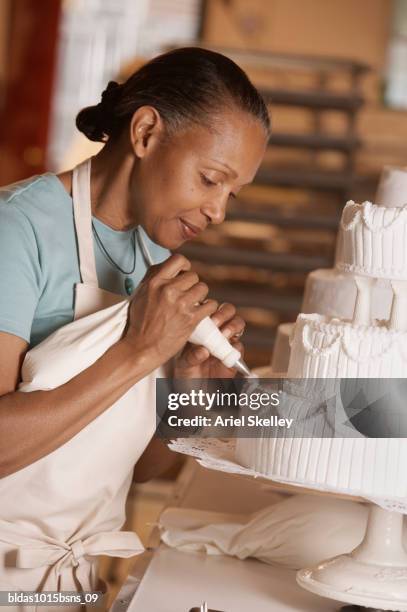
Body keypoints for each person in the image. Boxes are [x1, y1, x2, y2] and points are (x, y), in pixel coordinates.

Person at [0, 47, 270, 602]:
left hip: (68, 582)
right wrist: (140, 352)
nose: (219, 210)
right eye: (210, 178)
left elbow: (136, 468)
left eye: (231, 193)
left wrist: (187, 395)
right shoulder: (17, 230)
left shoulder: (154, 258)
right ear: (146, 133)